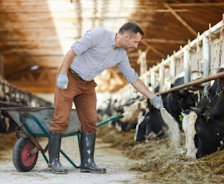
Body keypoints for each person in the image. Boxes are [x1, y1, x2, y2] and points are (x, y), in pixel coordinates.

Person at [47, 22, 163, 174]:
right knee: (61, 119)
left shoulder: (121, 55)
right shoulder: (98, 35)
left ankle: (87, 162)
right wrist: (63, 73)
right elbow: (72, 52)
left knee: (90, 121)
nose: (135, 46)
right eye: (135, 42)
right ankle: (53, 161)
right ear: (126, 36)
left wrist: (152, 96)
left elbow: (133, 78)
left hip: (87, 84)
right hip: (70, 76)